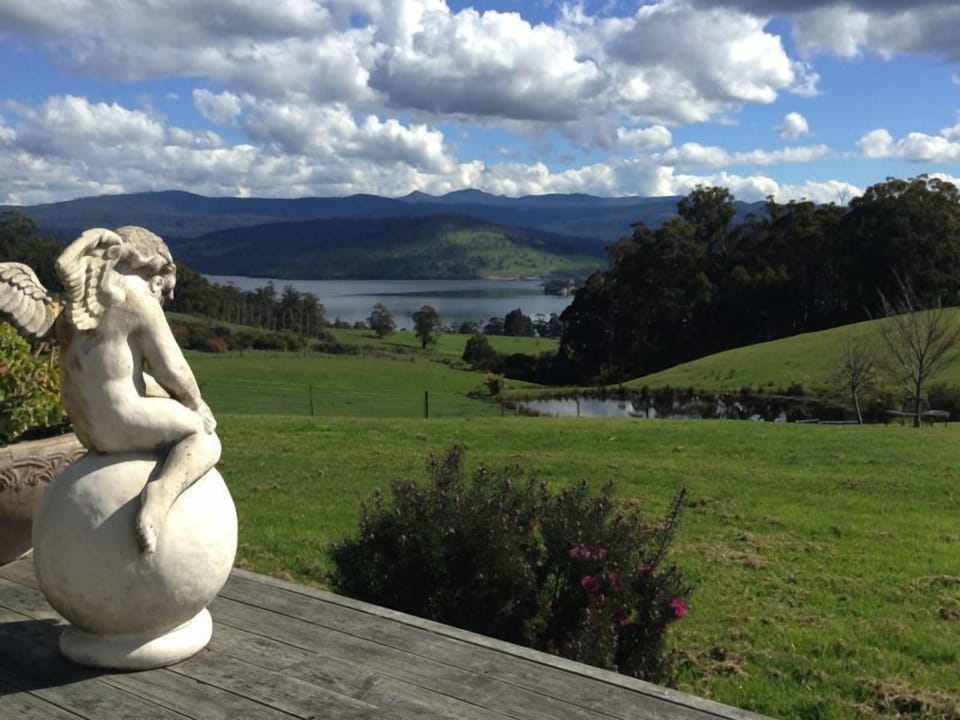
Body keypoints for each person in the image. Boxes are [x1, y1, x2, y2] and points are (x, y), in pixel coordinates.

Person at [54, 226, 220, 554]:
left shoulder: (84, 297)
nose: (167, 299)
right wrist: (198, 405)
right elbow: (174, 370)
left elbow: (117, 372)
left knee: (157, 397)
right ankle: (160, 497)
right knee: (204, 438)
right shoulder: (138, 298)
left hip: (85, 426)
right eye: (166, 290)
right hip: (117, 424)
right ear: (155, 277)